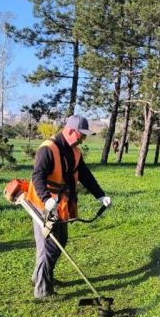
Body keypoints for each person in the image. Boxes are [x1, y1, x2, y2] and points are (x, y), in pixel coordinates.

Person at [26, 115, 112, 299]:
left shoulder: (74, 152)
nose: (83, 139)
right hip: (42, 204)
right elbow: (37, 176)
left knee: (60, 241)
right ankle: (43, 291)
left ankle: (40, 276)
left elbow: (85, 175)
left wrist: (100, 195)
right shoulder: (48, 149)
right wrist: (46, 198)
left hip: (60, 204)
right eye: (82, 135)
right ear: (71, 131)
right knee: (49, 246)